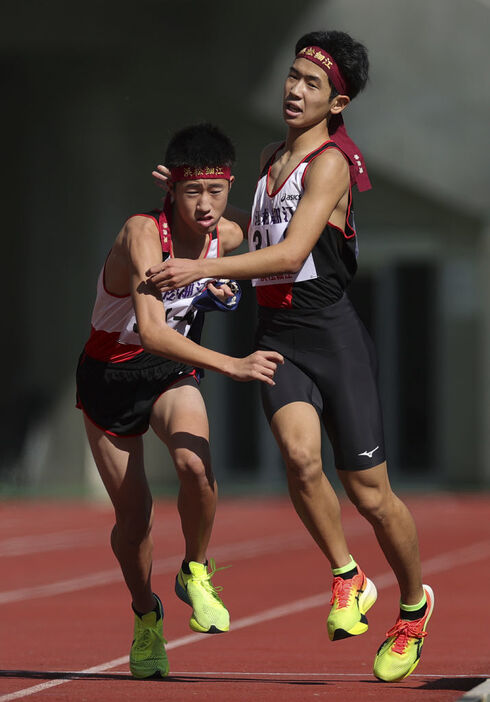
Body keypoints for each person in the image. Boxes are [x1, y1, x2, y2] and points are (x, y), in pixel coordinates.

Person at [148, 32, 434, 683]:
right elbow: (256, 235)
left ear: (337, 100)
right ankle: (348, 576)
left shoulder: (330, 162)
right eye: (292, 75)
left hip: (331, 334)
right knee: (302, 462)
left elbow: (287, 254)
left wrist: (195, 265)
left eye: (310, 82)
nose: (293, 89)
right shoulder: (271, 156)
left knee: (371, 494)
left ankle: (414, 606)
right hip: (278, 337)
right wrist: (189, 197)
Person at [76, 123, 283, 679]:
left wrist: (211, 194)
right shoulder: (143, 233)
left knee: (194, 462)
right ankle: (147, 613)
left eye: (216, 191)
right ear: (171, 192)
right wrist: (233, 364)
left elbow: (258, 225)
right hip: (112, 377)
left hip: (172, 372)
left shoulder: (227, 235)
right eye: (193, 192)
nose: (206, 205)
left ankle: (195, 569)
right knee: (135, 519)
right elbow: (150, 331)